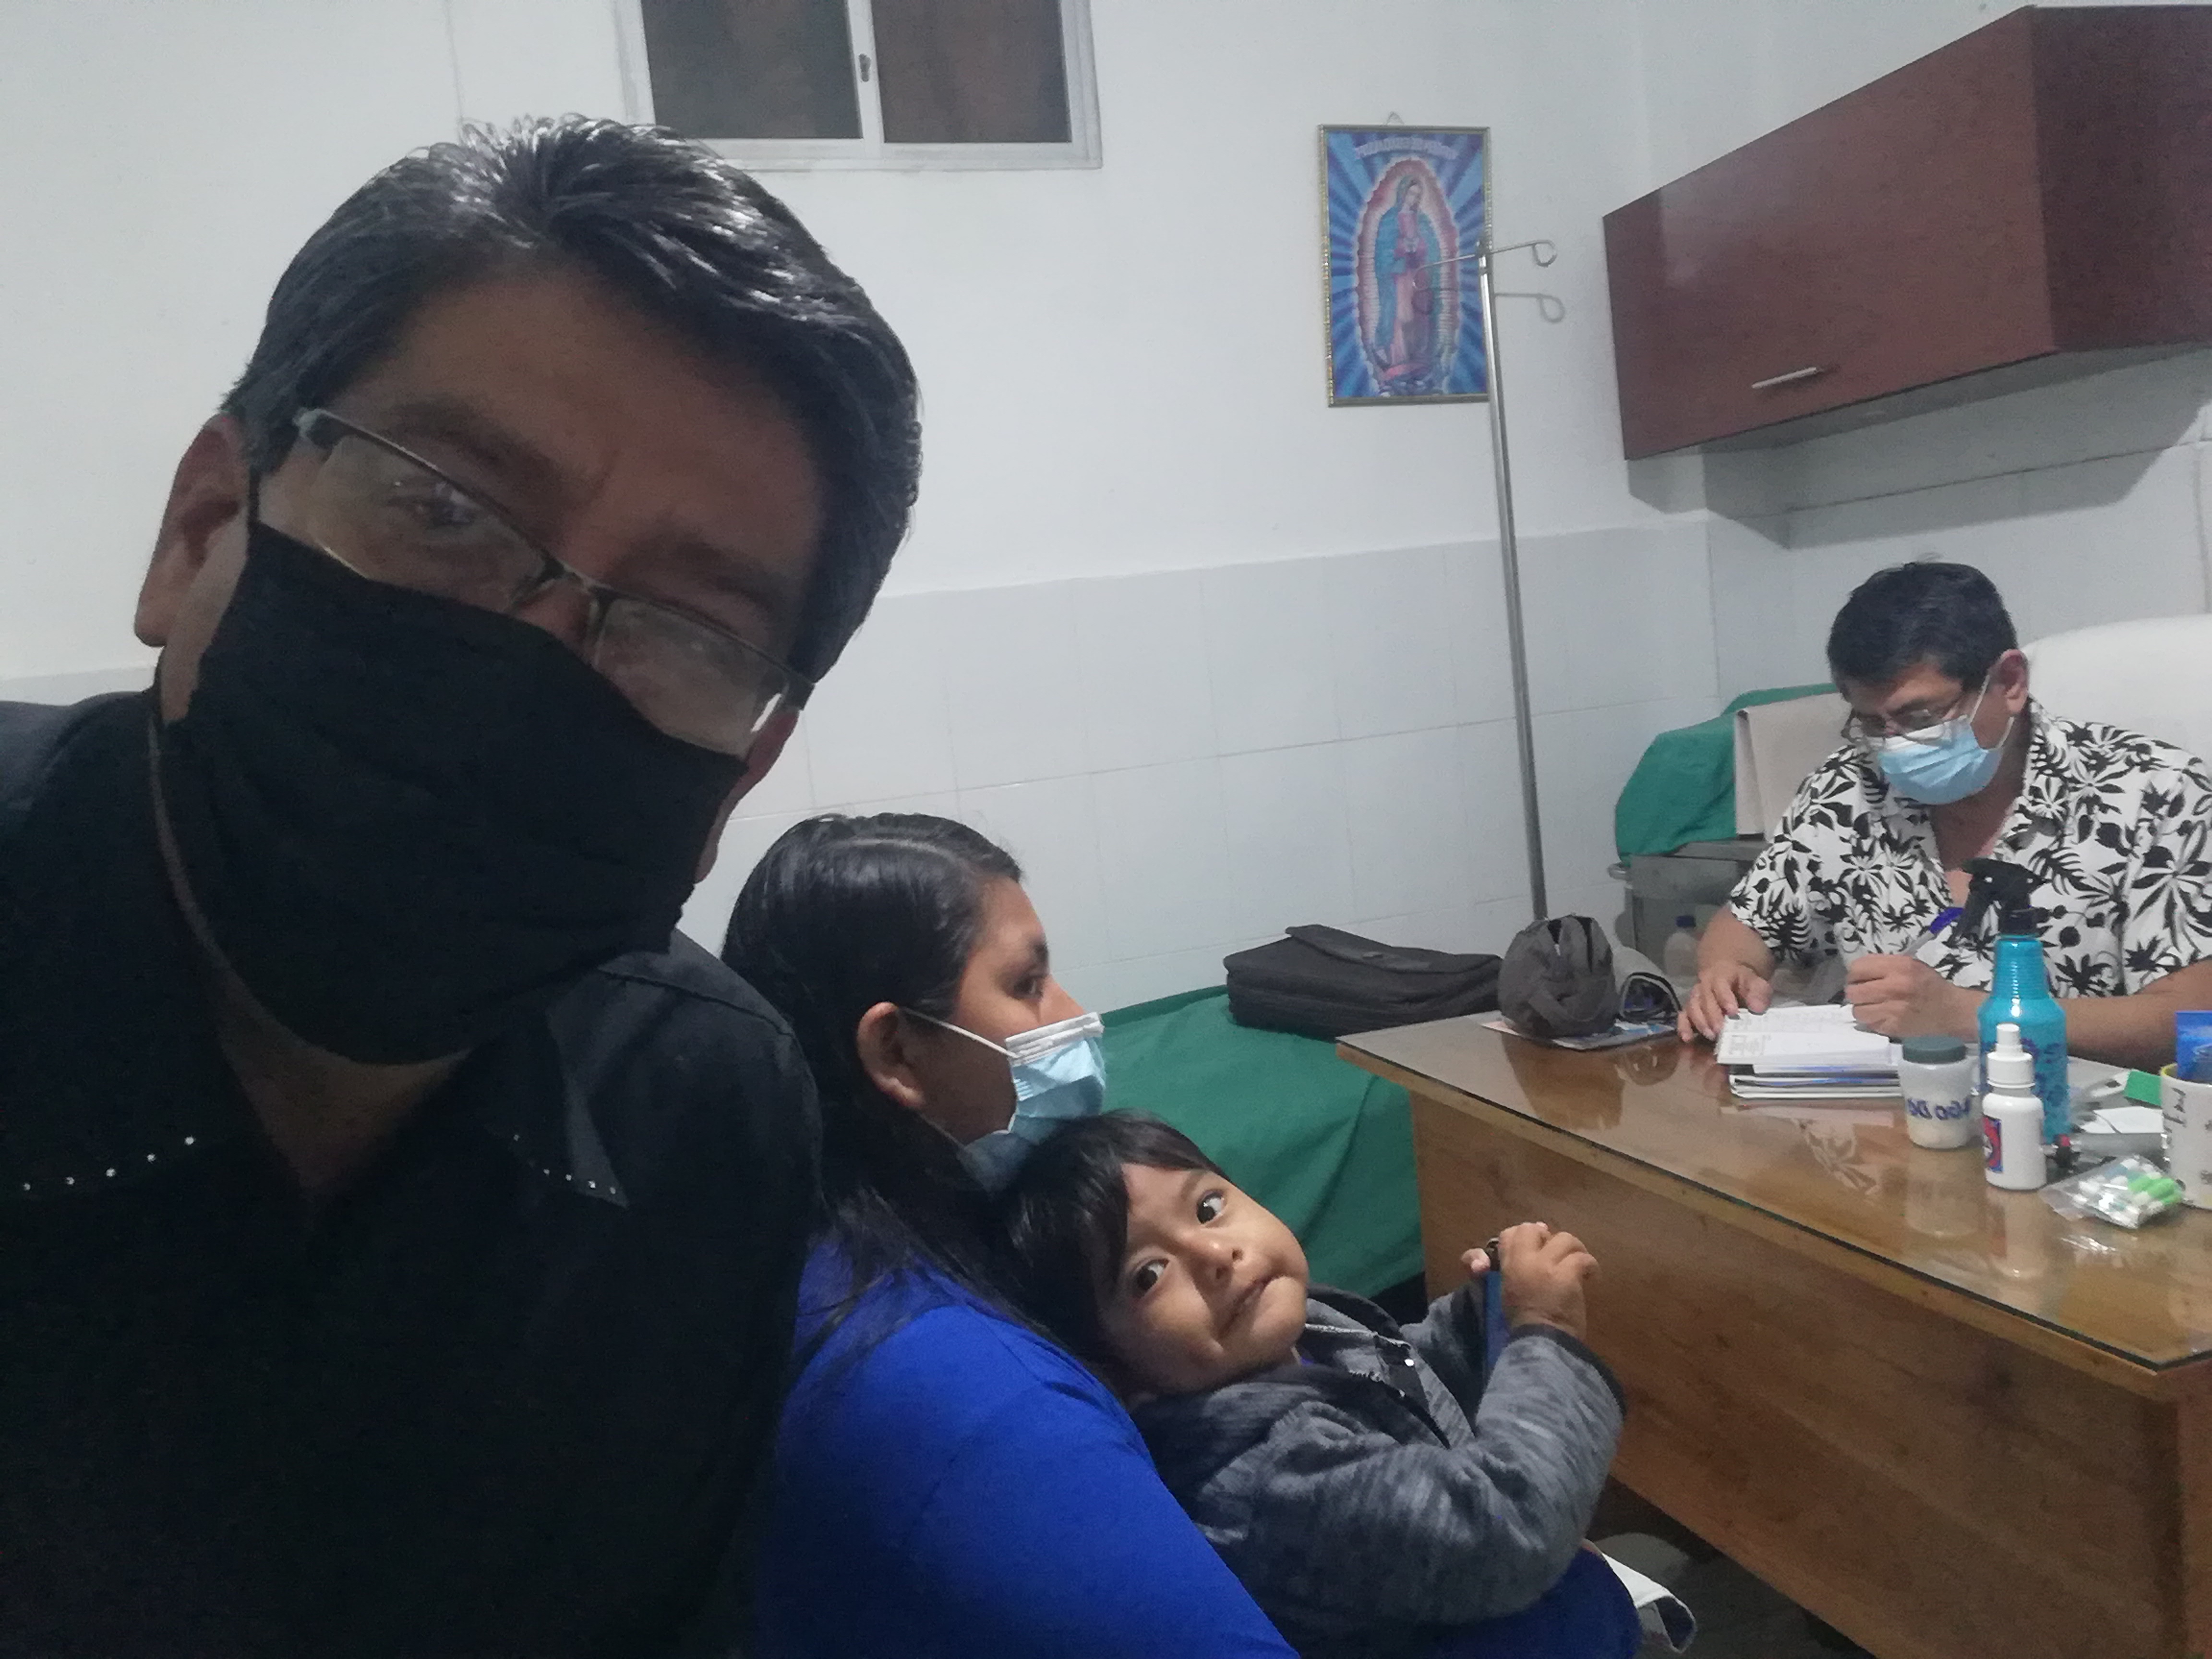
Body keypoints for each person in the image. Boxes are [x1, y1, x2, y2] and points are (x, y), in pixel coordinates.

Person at [0, 118, 918, 1655]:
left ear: (743, 776)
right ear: (203, 526)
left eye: (684, 627)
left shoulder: (704, 1118)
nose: (525, 666)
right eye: (445, 511)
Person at [720, 813, 1300, 1657]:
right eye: (1028, 985)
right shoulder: (972, 1400)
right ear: (896, 1053)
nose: (1076, 1015)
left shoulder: (802, 1254)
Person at [1000, 1113, 1638, 1659]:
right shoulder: (1272, 1476)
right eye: (1149, 1275)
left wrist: (1484, 1315)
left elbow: (1398, 1377)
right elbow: (1507, 1531)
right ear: (1114, 1370)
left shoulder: (1298, 1332)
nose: (1215, 1256)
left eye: (1208, 1208)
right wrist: (1545, 1329)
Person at [1680, 562, 2212, 1069]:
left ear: (2010, 682)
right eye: (1872, 724)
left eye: (1921, 716)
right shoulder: (1849, 789)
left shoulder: (2156, 794)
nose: (1895, 745)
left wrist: (1971, 1015)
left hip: (2077, 1114)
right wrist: (1730, 972)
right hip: (1880, 1112)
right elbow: (1747, 924)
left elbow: (2192, 1018)